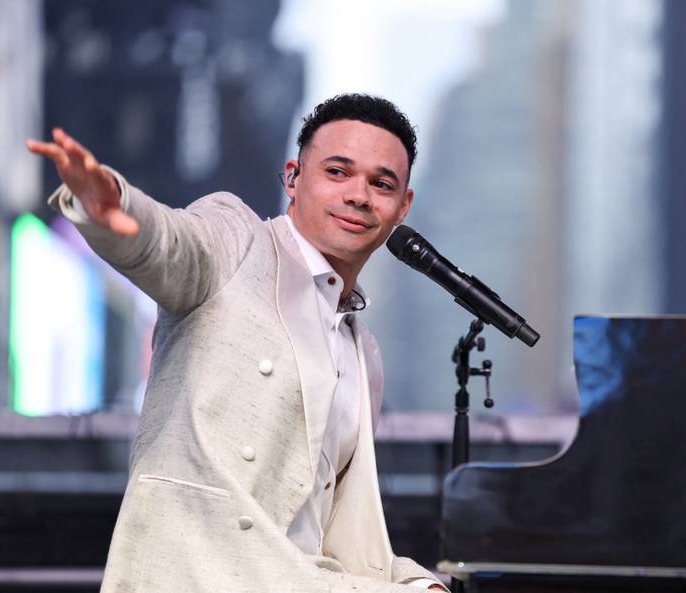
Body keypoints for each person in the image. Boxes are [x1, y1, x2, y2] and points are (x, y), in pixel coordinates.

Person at [28, 94, 448, 592]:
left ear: (403, 206)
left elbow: (337, 533)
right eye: (337, 172)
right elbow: (172, 243)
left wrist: (417, 582)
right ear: (293, 178)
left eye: (381, 184)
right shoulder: (238, 241)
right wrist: (113, 207)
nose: (359, 195)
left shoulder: (362, 352)